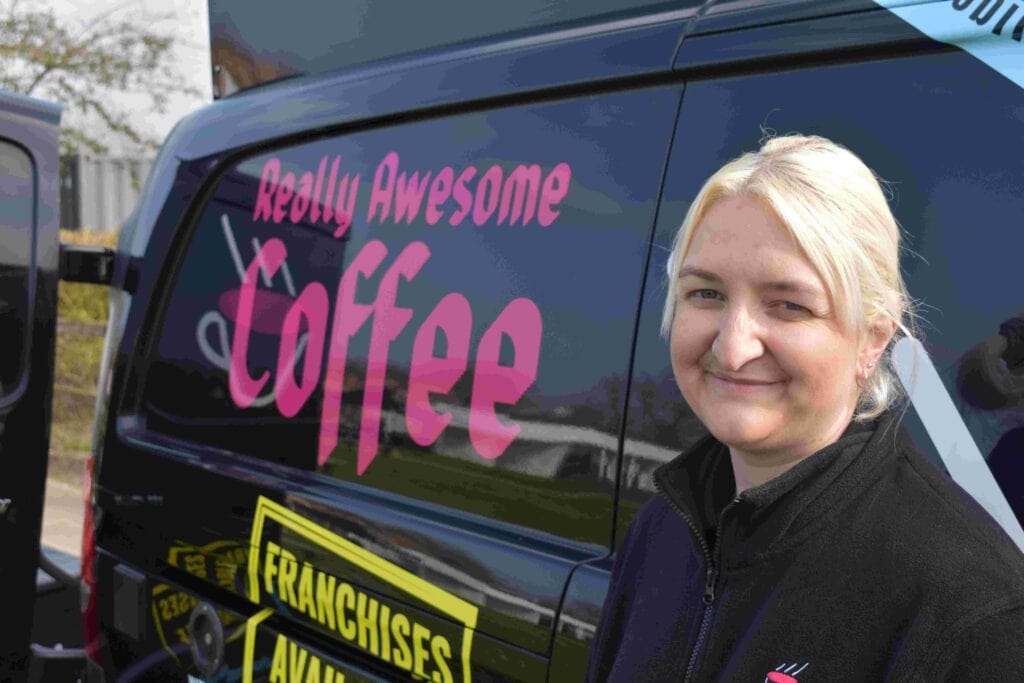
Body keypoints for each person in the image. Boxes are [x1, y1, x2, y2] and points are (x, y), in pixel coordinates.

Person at [586, 134, 1024, 681]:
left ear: (871, 339)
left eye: (789, 306)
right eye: (706, 294)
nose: (732, 346)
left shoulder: (969, 609)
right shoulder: (661, 532)